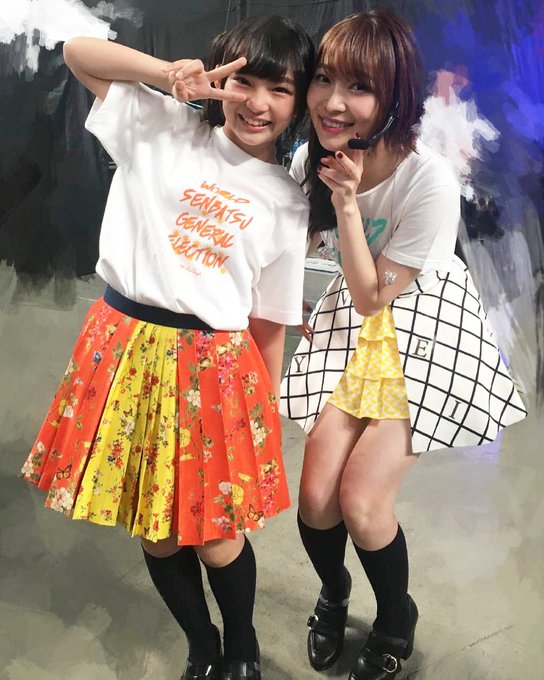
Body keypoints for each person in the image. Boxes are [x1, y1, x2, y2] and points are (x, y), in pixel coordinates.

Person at [20, 15, 314, 680]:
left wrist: (263, 417)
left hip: (216, 366)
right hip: (123, 349)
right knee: (153, 526)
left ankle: (241, 647)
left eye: (279, 89)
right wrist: (165, 75)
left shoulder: (286, 202)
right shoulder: (162, 125)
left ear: (298, 102)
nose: (257, 103)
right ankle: (201, 645)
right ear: (219, 79)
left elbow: (269, 321)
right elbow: (78, 52)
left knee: (215, 534)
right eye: (244, 82)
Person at [280, 10, 527, 680]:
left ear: (393, 96)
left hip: (423, 325)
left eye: (358, 87)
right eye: (324, 79)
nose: (333, 102)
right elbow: (296, 242)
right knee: (316, 500)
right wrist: (291, 296)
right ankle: (334, 594)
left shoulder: (428, 181)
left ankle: (396, 620)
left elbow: (373, 296)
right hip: (354, 323)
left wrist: (348, 203)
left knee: (362, 502)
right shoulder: (311, 158)